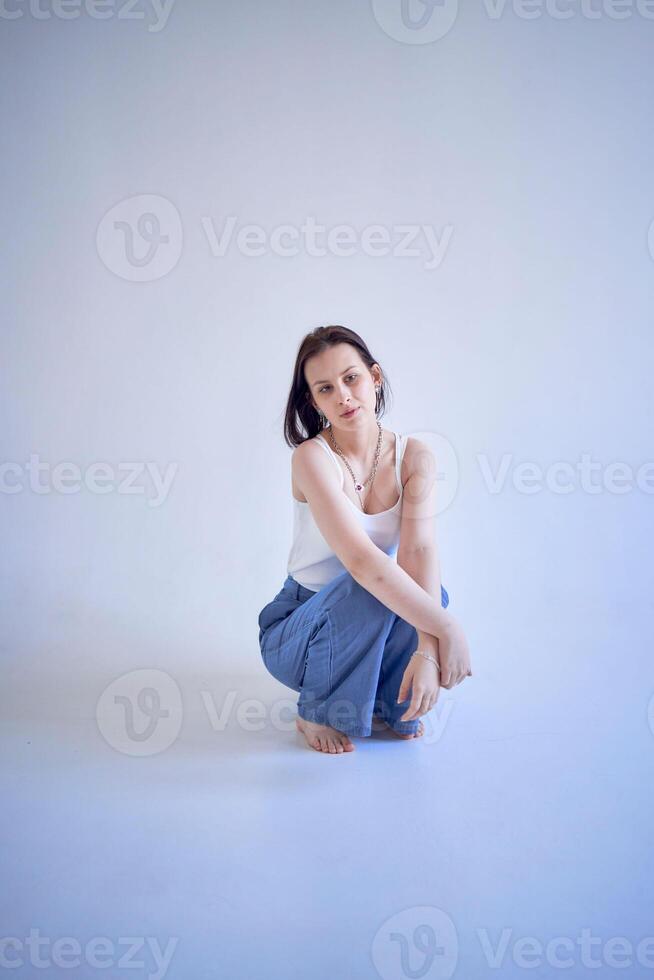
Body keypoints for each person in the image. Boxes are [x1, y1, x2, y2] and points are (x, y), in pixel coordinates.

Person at [257, 325, 472, 754]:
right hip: (300, 626)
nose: (343, 396)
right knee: (373, 585)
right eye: (325, 388)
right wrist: (447, 630)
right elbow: (361, 563)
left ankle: (388, 703)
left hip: (369, 616)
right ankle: (316, 708)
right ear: (314, 401)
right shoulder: (311, 459)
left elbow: (419, 551)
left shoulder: (414, 456)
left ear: (374, 377)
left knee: (433, 594)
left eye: (351, 378)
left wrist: (429, 649)